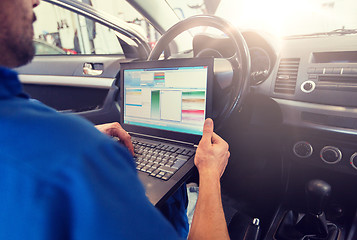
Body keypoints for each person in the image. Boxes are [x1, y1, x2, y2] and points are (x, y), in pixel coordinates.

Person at [0, 0, 231, 239]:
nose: (36, 1)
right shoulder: (79, 157)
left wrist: (85, 137)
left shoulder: (39, 135)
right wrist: (210, 174)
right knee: (193, 198)